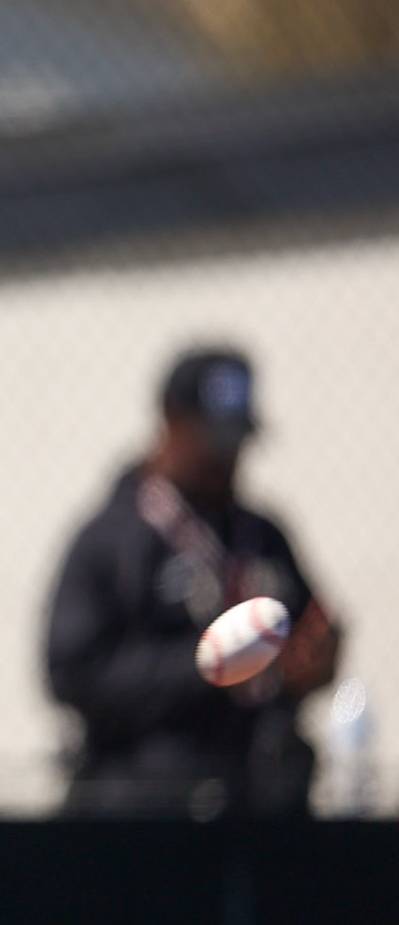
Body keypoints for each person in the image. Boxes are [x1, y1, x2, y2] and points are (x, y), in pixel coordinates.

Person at [46, 347, 342, 818]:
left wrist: (317, 657)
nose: (228, 461)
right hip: (147, 805)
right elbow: (73, 674)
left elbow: (311, 632)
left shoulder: (262, 535)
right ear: (170, 422)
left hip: (261, 796)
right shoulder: (111, 539)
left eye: (237, 443)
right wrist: (212, 665)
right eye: (214, 443)